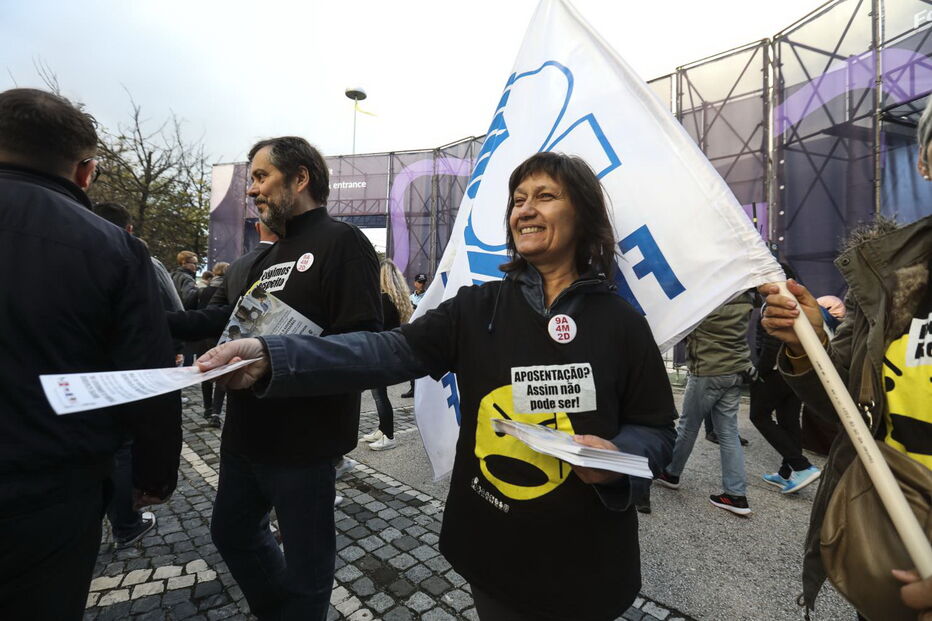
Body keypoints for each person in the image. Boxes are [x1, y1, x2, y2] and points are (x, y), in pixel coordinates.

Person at [199, 151, 677, 621]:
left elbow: (655, 430)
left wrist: (616, 461)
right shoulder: (476, 309)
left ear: (584, 213)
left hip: (587, 560)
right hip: (494, 550)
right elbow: (382, 350)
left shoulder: (623, 324)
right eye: (517, 199)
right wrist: (273, 356)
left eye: (545, 196)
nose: (525, 209)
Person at [0, 88, 181, 619]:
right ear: (85, 172)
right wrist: (153, 475)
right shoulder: (114, 249)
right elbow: (143, 374)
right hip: (49, 492)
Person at [197, 136, 381, 620]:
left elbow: (362, 344)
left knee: (307, 571)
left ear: (299, 178)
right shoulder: (266, 257)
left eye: (261, 177)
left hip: (304, 444)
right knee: (232, 533)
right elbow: (227, 322)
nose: (252, 190)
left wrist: (276, 357)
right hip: (244, 434)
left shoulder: (345, 243)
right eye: (252, 179)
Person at [760, 99, 932, 616]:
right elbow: (846, 412)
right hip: (893, 548)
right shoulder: (887, 277)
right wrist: (805, 344)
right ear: (925, 160)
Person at [656, 292, 756, 516]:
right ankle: (736, 495)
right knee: (729, 432)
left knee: (688, 425)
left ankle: (672, 473)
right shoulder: (746, 297)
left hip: (707, 370)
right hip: (735, 369)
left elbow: (682, 329)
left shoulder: (704, 298)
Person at [362, 259, 414, 451]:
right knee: (379, 394)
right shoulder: (396, 298)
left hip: (380, 352)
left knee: (380, 395)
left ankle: (388, 435)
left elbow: (377, 326)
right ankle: (382, 429)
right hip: (388, 350)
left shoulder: (384, 299)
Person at [197, 261, 229, 428]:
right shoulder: (228, 290)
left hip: (204, 336)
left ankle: (207, 408)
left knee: (205, 372)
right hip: (221, 336)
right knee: (221, 373)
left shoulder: (203, 290)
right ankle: (216, 412)